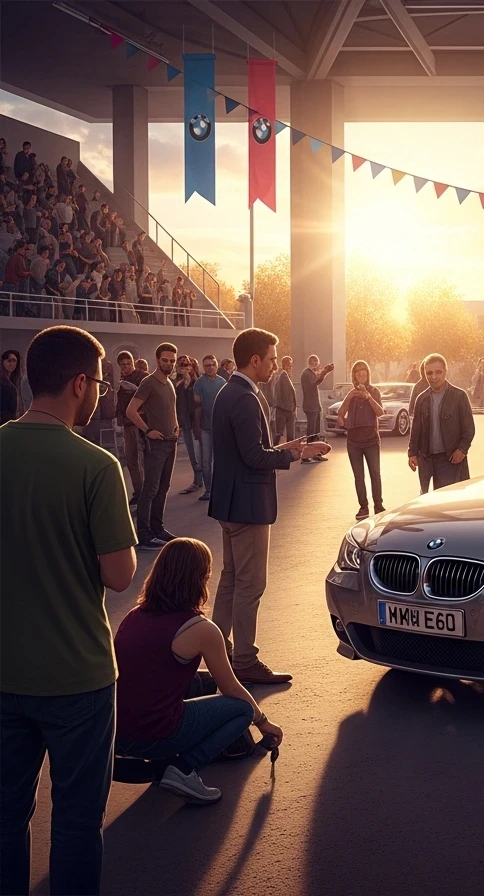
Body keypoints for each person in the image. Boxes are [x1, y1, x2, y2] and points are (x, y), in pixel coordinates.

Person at [1, 325, 138, 896]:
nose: (102, 394)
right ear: (80, 384)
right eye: (101, 384)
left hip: (6, 674)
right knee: (78, 824)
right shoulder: (96, 466)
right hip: (78, 676)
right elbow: (120, 574)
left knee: (6, 821)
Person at [113, 538, 284, 805]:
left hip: (116, 734)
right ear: (200, 578)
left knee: (202, 681)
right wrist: (263, 722)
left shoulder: (134, 615)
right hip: (151, 735)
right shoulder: (200, 629)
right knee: (242, 710)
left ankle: (165, 762)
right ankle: (183, 768)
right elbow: (232, 688)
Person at [208, 328, 330, 684]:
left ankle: (221, 651)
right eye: (273, 359)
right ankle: (244, 660)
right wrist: (296, 454)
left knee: (231, 580)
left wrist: (289, 446)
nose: (276, 365)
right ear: (256, 359)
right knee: (250, 584)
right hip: (247, 505)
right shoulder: (245, 397)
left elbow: (245, 448)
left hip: (229, 503)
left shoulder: (229, 392)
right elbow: (253, 455)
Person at [126, 343, 180, 551]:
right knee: (150, 489)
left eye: (172, 361)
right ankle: (144, 533)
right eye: (165, 360)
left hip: (171, 442)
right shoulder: (149, 383)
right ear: (157, 359)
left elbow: (170, 409)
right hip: (156, 444)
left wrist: (177, 426)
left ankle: (158, 528)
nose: (169, 364)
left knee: (163, 488)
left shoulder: (169, 383)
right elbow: (131, 411)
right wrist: (148, 430)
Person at [408, 353, 474, 494]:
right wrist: (412, 453)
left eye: (438, 372)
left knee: (449, 500)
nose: (434, 377)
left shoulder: (459, 396)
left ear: (445, 371)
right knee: (426, 502)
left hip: (450, 458)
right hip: (426, 458)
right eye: (429, 373)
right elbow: (416, 429)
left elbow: (469, 428)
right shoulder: (421, 399)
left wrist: (462, 450)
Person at [336, 360, 385, 520]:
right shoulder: (351, 393)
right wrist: (350, 396)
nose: (361, 374)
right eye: (357, 372)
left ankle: (378, 506)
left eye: (363, 371)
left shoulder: (374, 391)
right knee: (359, 476)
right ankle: (363, 507)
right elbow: (340, 414)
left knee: (375, 474)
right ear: (354, 376)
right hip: (354, 442)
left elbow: (380, 412)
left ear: (367, 374)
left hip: (371, 440)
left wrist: (368, 397)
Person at [191, 354, 224, 502]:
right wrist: (197, 427)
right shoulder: (199, 383)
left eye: (212, 364)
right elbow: (197, 407)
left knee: (221, 461)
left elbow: (227, 406)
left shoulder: (223, 382)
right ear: (204, 367)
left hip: (220, 428)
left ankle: (220, 489)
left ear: (216, 366)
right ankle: (209, 490)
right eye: (207, 365)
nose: (210, 367)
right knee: (205, 461)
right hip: (205, 428)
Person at [116, 351, 146, 504]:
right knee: (131, 460)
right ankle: (139, 492)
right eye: (123, 364)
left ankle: (146, 494)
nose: (126, 366)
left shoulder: (142, 377)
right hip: (127, 424)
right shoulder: (119, 379)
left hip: (140, 423)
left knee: (141, 460)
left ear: (133, 362)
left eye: (128, 363)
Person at [174, 355, 203, 496]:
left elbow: (197, 404)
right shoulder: (176, 382)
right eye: (180, 364)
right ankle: (198, 480)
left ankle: (200, 481)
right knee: (192, 453)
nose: (182, 367)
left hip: (195, 423)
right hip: (183, 422)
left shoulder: (195, 383)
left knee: (198, 454)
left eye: (186, 365)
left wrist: (188, 380)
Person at [299, 354, 335, 462]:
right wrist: (324, 372)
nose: (315, 365)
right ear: (310, 363)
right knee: (311, 432)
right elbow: (314, 382)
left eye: (316, 363)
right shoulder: (306, 373)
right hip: (311, 406)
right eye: (314, 363)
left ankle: (315, 454)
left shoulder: (310, 373)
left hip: (314, 406)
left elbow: (317, 381)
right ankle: (306, 455)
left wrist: (325, 372)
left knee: (315, 432)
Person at [273, 355, 297, 445]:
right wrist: (288, 407)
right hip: (283, 410)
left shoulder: (286, 376)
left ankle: (290, 452)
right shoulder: (281, 376)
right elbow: (279, 393)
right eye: (289, 365)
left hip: (289, 410)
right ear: (285, 365)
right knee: (279, 433)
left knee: (290, 435)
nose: (290, 367)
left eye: (291, 365)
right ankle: (274, 450)